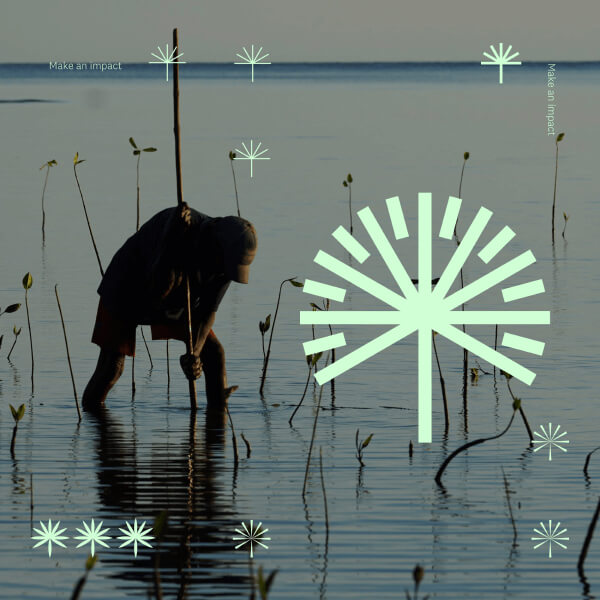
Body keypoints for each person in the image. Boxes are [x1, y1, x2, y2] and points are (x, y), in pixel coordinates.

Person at [82, 202, 257, 410]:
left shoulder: (226, 264)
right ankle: (92, 416)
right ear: (216, 245)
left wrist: (194, 354)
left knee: (213, 353)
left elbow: (208, 312)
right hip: (127, 288)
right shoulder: (179, 225)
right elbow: (158, 284)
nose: (224, 272)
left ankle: (217, 419)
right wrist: (174, 240)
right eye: (225, 266)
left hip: (177, 299)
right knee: (111, 369)